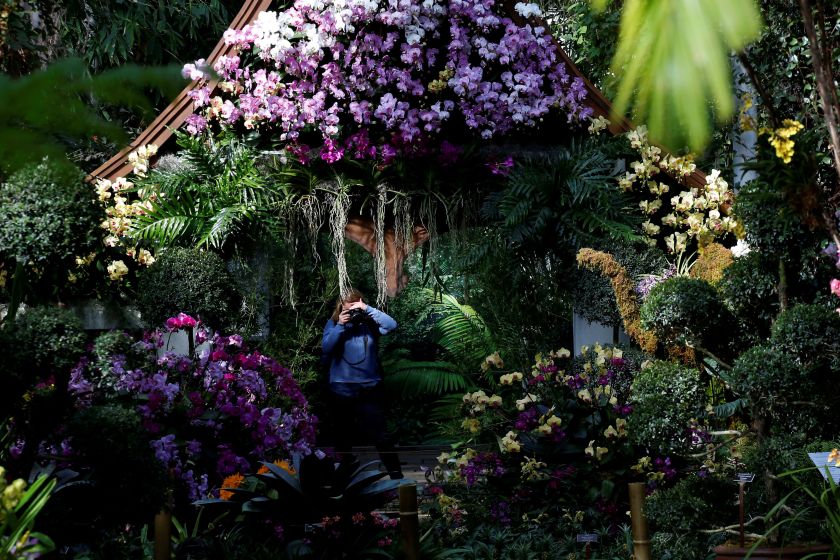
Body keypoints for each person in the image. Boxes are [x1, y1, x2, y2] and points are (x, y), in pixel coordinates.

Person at [321, 289, 403, 479]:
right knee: (343, 436)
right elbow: (326, 347)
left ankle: (397, 477)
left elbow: (392, 325)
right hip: (341, 387)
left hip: (370, 388)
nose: (350, 307)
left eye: (354, 302)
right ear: (340, 306)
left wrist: (367, 309)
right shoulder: (334, 323)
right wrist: (341, 325)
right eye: (346, 303)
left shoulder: (371, 324)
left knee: (381, 435)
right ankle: (343, 480)